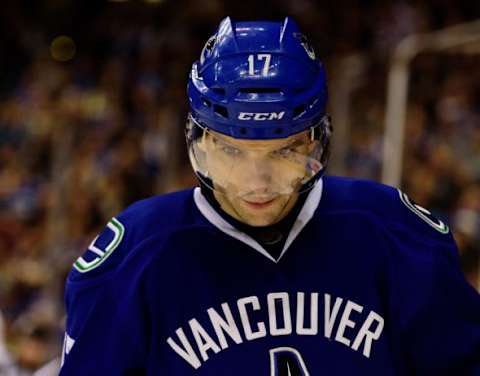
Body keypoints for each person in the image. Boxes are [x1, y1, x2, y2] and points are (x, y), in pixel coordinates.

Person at [59, 17, 480, 375]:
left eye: (283, 151)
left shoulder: (393, 232)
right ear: (198, 142)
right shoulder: (135, 256)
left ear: (317, 142)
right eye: (231, 152)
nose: (257, 182)